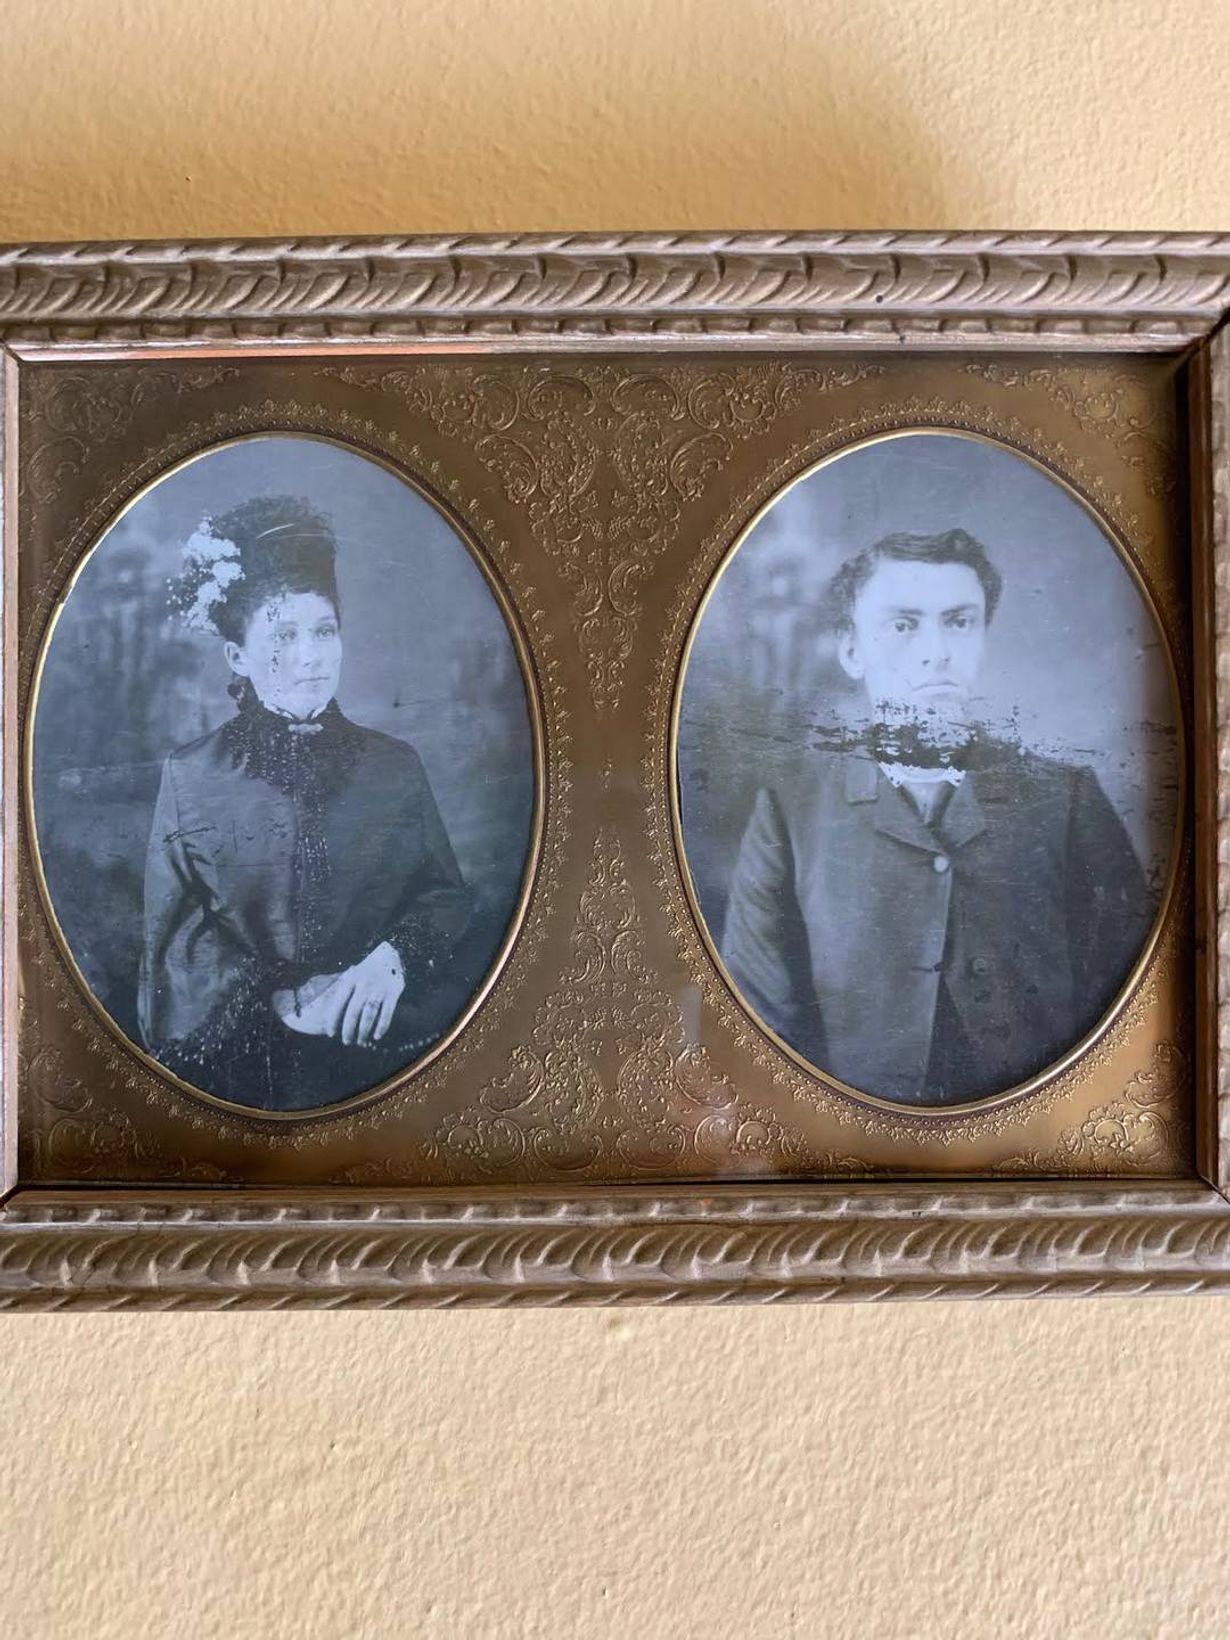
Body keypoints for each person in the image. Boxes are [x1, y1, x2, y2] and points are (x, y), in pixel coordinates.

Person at [719, 528, 1154, 1106]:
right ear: (852, 650)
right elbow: (758, 1021)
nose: (937, 651)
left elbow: (1134, 1011)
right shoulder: (791, 805)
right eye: (903, 625)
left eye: (959, 621)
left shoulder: (1066, 797)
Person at [137, 495, 474, 1111]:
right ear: (238, 655)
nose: (312, 655)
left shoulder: (393, 766)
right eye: (283, 634)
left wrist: (390, 962)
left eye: (324, 630)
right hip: (244, 1069)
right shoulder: (191, 775)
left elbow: (445, 897)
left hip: (383, 1051)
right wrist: (281, 1000)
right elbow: (174, 945)